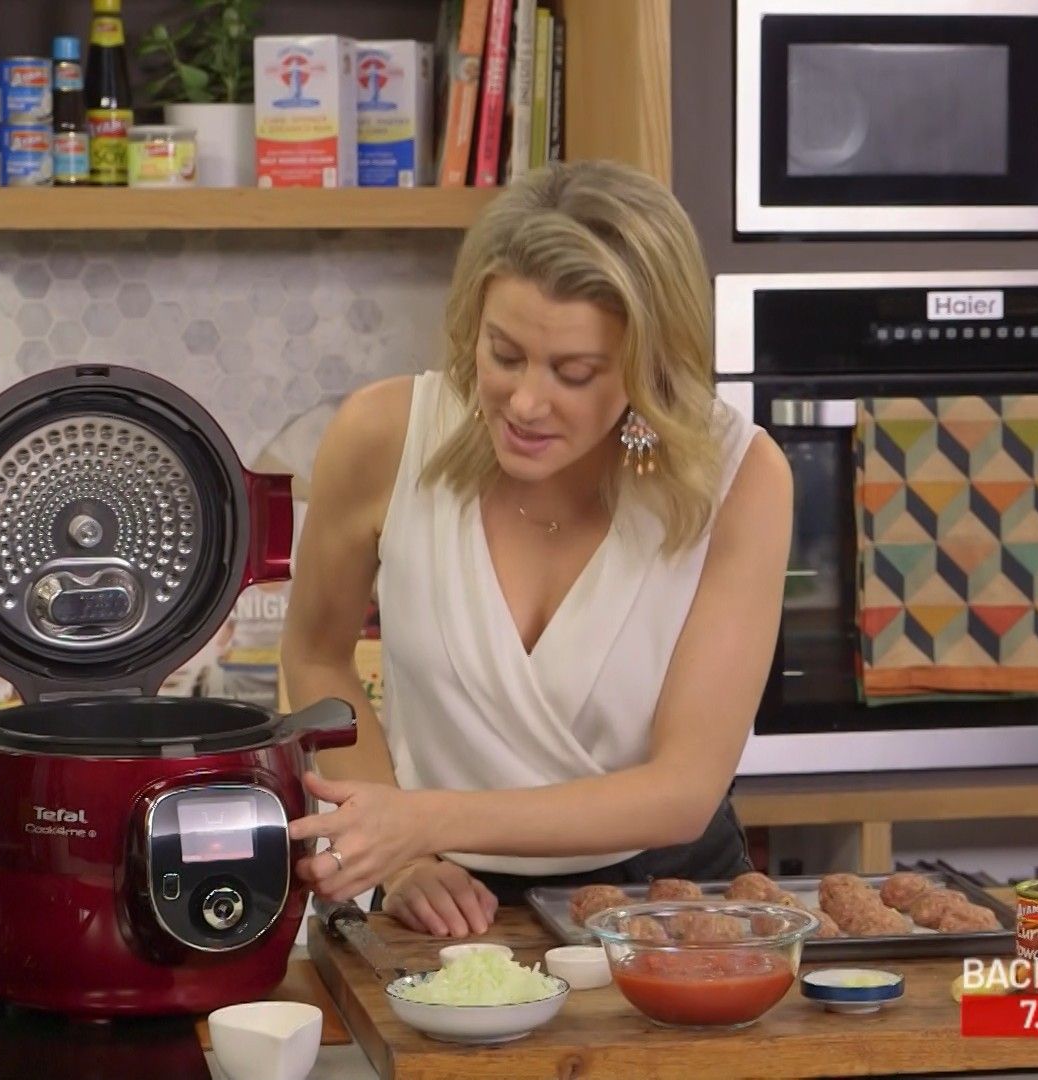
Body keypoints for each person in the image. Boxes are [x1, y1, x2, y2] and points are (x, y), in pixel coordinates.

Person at [280, 159, 792, 938]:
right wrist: (406, 860)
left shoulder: (739, 478)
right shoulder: (382, 436)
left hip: (670, 907)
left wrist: (420, 821)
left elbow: (684, 789)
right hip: (443, 905)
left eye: (574, 373)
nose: (524, 402)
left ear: (649, 366)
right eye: (505, 354)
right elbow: (316, 655)